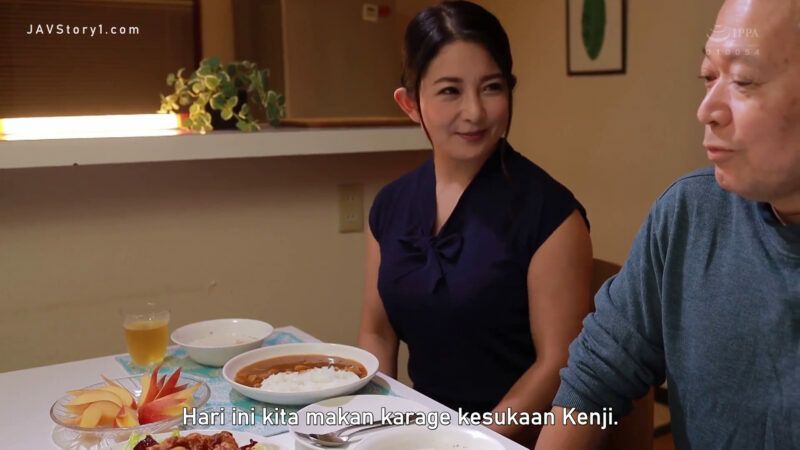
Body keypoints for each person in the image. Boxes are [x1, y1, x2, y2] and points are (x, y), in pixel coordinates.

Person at [535, 0, 800, 448]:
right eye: (708, 77)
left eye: (742, 81)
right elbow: (597, 377)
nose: (707, 110)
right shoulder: (690, 213)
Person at [356, 1, 593, 445]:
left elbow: (558, 363)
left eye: (492, 87)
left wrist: (468, 439)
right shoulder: (390, 206)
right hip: (422, 431)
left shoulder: (553, 215)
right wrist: (383, 424)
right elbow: (377, 332)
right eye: (450, 90)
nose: (475, 112)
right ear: (410, 103)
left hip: (513, 437)